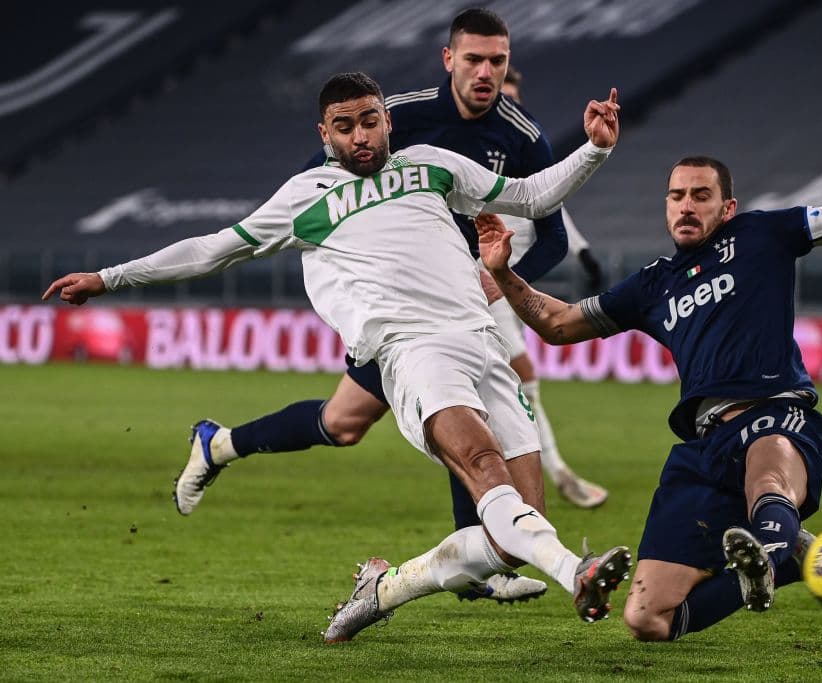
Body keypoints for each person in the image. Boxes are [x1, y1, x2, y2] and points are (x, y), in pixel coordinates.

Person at [43, 71, 632, 642]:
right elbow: (212, 250)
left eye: (369, 121)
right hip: (410, 349)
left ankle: (385, 589)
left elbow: (528, 196)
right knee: (480, 463)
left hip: (482, 340)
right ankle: (574, 574)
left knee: (517, 533)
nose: (360, 136)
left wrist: (594, 150)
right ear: (325, 134)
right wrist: (110, 277)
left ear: (386, 121)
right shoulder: (305, 197)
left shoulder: (431, 164)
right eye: (344, 126)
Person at [478, 137, 822, 641]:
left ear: (728, 208)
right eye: (676, 196)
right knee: (646, 619)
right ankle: (774, 564)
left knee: (767, 474)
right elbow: (560, 323)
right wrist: (503, 273)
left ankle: (771, 540)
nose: (685, 206)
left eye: (700, 195)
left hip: (775, 413)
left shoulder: (763, 235)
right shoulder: (653, 282)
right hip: (701, 448)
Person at [178, 10, 605, 541]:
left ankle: (220, 445)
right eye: (474, 59)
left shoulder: (522, 138)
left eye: (497, 61)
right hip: (396, 304)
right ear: (449, 59)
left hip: (465, 299)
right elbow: (322, 183)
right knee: (364, 420)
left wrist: (500, 280)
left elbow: (554, 237)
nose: (485, 72)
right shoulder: (398, 117)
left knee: (370, 420)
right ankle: (480, 554)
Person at [486, 65, 608, 508]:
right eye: (503, 97)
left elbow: (550, 208)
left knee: (517, 379)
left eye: (514, 98)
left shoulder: (522, 148)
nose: (510, 106)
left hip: (502, 282)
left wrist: (583, 251)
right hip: (472, 282)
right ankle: (532, 474)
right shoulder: (472, 154)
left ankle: (543, 472)